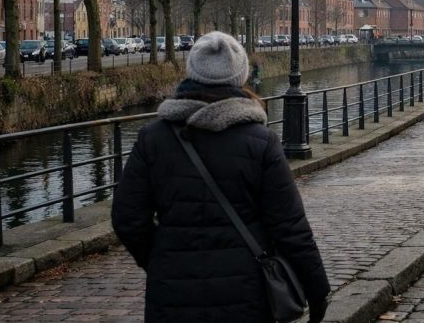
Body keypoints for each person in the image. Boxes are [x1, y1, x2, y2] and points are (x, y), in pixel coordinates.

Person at [111, 31, 330, 323]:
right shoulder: (261, 141)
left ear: (192, 72)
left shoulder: (153, 138)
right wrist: (317, 290)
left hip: (173, 295)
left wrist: (161, 259)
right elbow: (289, 227)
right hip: (246, 293)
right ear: (240, 77)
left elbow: (127, 218)